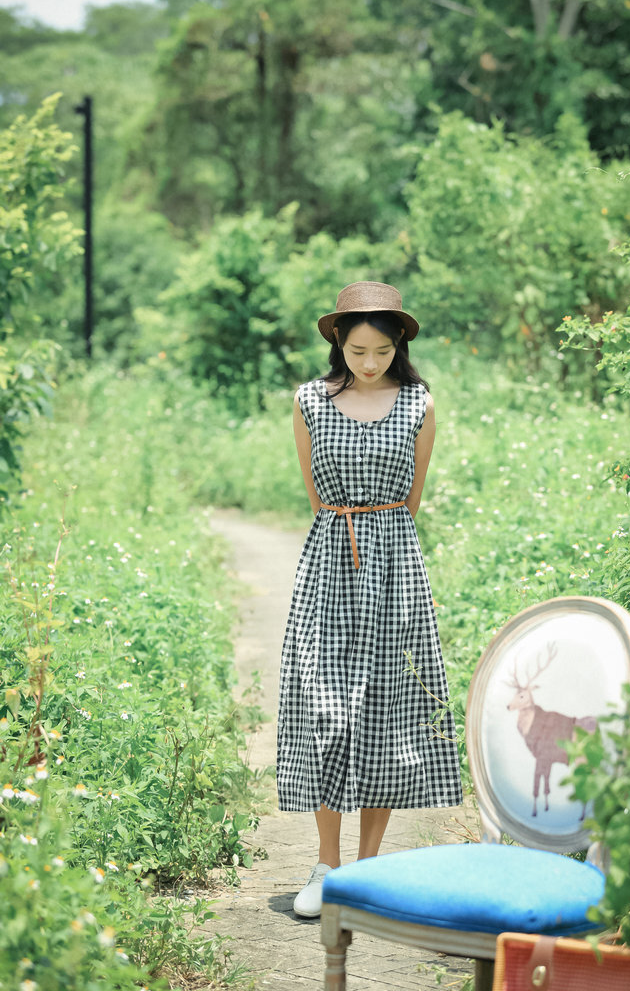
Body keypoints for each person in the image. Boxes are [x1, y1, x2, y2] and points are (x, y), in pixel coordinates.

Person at [277, 281, 463, 919]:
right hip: (329, 566)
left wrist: (380, 537)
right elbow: (314, 496)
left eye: (381, 351)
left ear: (399, 346)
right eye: (358, 350)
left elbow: (410, 502)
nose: (369, 363)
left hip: (394, 570)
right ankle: (325, 867)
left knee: (385, 719)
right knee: (324, 713)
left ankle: (370, 870)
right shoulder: (308, 401)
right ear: (337, 341)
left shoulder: (419, 403)